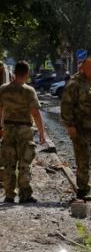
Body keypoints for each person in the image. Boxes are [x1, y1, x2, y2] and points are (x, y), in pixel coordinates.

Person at [60, 58, 91, 201]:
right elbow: (66, 106)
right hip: (81, 129)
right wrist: (70, 125)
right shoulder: (75, 84)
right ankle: (83, 191)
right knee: (83, 159)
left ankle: (87, 185)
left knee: (89, 159)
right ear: (83, 69)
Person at [0, 61, 46, 203]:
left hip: (8, 129)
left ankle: (9, 194)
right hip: (24, 130)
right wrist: (42, 133)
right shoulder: (28, 91)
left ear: (14, 72)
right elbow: (36, 113)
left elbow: (0, 109)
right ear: (26, 74)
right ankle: (25, 194)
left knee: (9, 163)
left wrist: (0, 127)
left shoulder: (3, 89)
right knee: (25, 163)